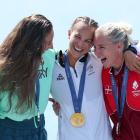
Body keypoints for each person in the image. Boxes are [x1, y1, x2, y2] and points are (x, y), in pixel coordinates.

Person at [50, 16, 112, 140]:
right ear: (69, 33)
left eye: (87, 41)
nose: (80, 44)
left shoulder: (99, 61)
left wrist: (129, 52)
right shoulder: (52, 66)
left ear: (92, 44)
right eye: (77, 37)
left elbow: (123, 47)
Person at [0, 14, 55, 140]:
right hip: (7, 130)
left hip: (37, 127)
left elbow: (71, 61)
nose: (50, 46)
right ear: (32, 42)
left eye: (52, 41)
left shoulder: (49, 56)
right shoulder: (4, 65)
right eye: (46, 42)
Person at [94, 22, 140, 140]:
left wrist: (131, 50)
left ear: (119, 46)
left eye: (101, 47)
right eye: (94, 47)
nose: (96, 54)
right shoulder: (101, 70)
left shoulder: (136, 63)